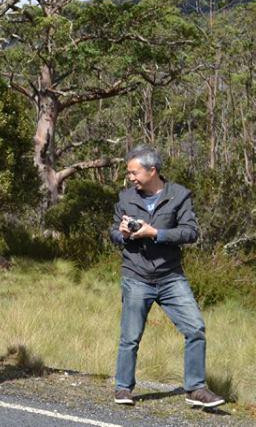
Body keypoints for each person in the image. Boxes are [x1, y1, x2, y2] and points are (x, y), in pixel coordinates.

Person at [110, 145, 224, 408]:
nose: (130, 178)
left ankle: (195, 389)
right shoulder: (126, 197)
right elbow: (113, 232)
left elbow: (190, 232)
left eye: (133, 172)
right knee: (130, 336)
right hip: (136, 275)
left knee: (195, 328)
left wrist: (155, 233)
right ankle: (123, 388)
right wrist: (123, 233)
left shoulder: (180, 196)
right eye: (129, 173)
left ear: (152, 170)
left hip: (171, 277)